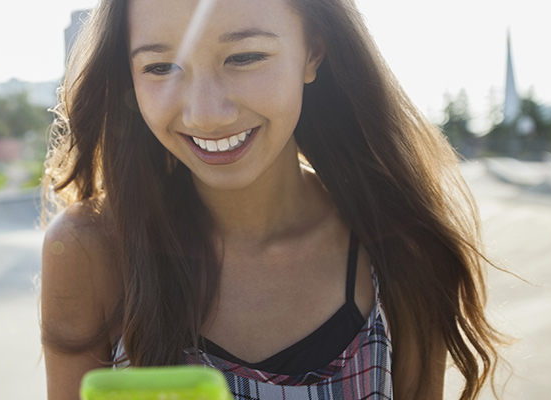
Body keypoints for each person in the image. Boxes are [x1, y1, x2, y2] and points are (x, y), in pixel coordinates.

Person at [38, 0, 507, 399]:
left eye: (244, 57)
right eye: (160, 67)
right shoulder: (90, 253)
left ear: (313, 51)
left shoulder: (401, 248)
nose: (205, 113)